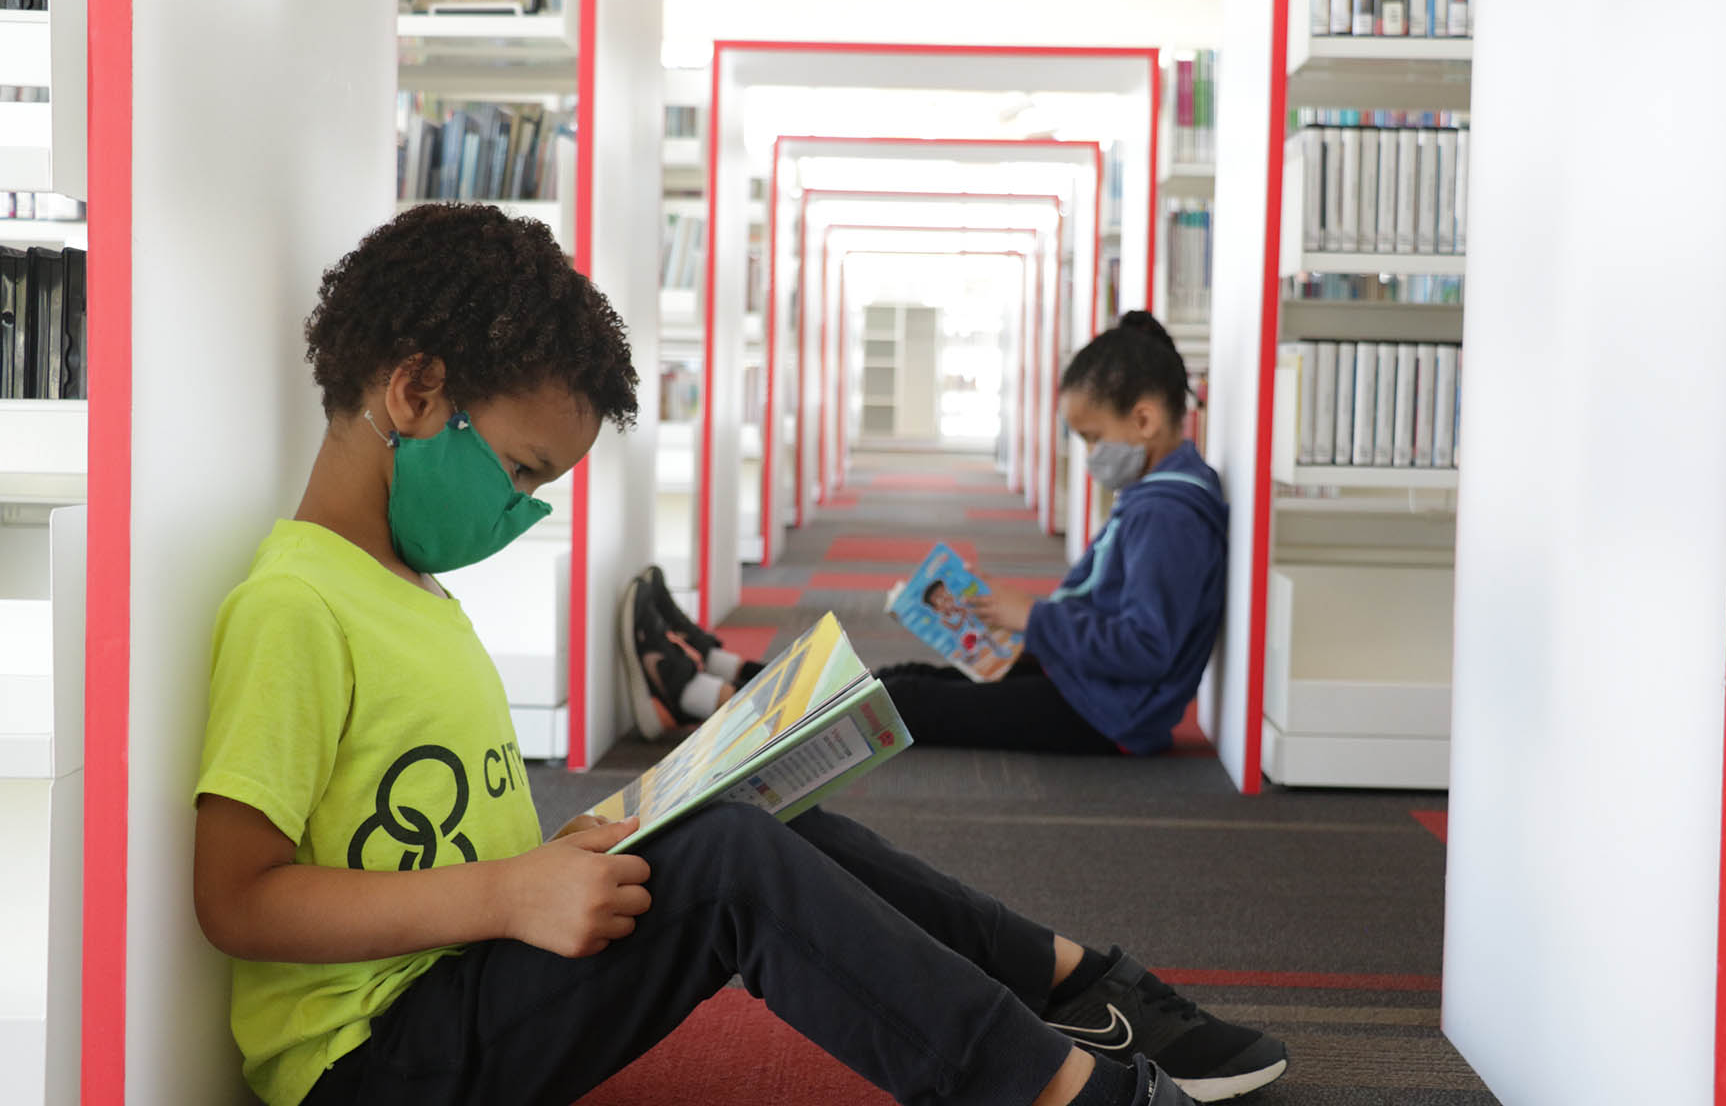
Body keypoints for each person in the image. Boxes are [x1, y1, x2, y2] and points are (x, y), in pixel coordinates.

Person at [190, 205, 1288, 1106]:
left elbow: (428, 840)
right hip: (373, 1063)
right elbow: (238, 901)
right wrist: (506, 895)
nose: (521, 512)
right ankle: (1049, 1092)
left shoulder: (412, 591)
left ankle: (1071, 984)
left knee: (748, 814)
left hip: (465, 979)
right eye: (523, 473)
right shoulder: (295, 604)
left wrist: (569, 847)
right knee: (725, 866)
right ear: (416, 393)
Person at [634, 312, 1225, 758]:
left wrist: (1035, 619)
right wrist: (1020, 617)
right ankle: (727, 665)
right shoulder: (1161, 495)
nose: (1092, 456)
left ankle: (701, 701)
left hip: (1107, 715)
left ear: (1144, 420)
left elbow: (1147, 649)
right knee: (899, 680)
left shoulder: (1168, 515)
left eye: (1094, 437)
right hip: (1086, 684)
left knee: (904, 702)